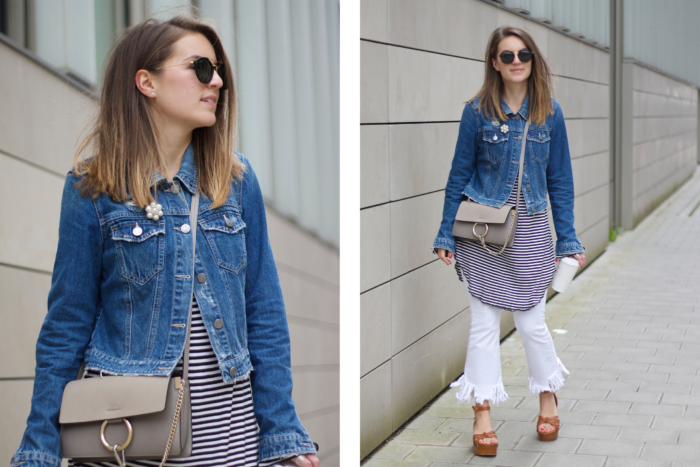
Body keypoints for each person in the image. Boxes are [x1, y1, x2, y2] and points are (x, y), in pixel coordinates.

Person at [11, 15, 319, 467]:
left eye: (219, 72)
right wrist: (39, 446)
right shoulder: (92, 188)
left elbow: (264, 312)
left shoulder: (236, 181)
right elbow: (67, 324)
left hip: (228, 444)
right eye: (199, 67)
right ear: (146, 82)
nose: (214, 81)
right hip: (124, 440)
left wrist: (283, 431)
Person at [432, 25, 585, 457]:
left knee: (531, 322)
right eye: (507, 56)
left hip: (533, 227)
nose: (516, 62)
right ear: (494, 63)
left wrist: (568, 240)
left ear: (533, 60)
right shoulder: (476, 112)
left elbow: (561, 182)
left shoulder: (549, 114)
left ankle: (547, 396)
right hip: (483, 229)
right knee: (482, 324)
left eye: (523, 54)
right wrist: (446, 232)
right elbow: (458, 176)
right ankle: (481, 413)